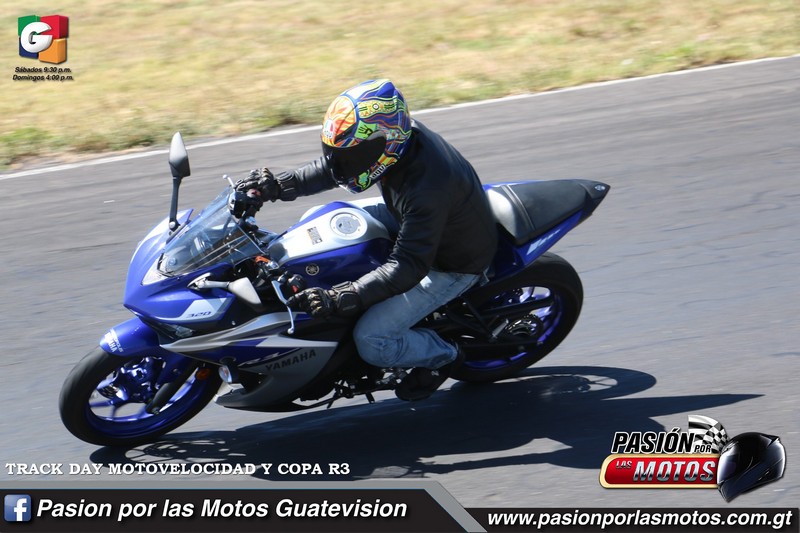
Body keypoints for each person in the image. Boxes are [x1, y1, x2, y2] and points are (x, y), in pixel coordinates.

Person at [231, 79, 498, 401]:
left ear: (386, 142)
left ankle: (444, 356)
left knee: (373, 341)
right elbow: (335, 169)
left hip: (450, 263)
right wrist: (277, 186)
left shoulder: (425, 188)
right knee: (319, 217)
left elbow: (408, 266)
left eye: (351, 155)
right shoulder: (394, 143)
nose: (343, 162)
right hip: (412, 220)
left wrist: (341, 296)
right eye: (338, 153)